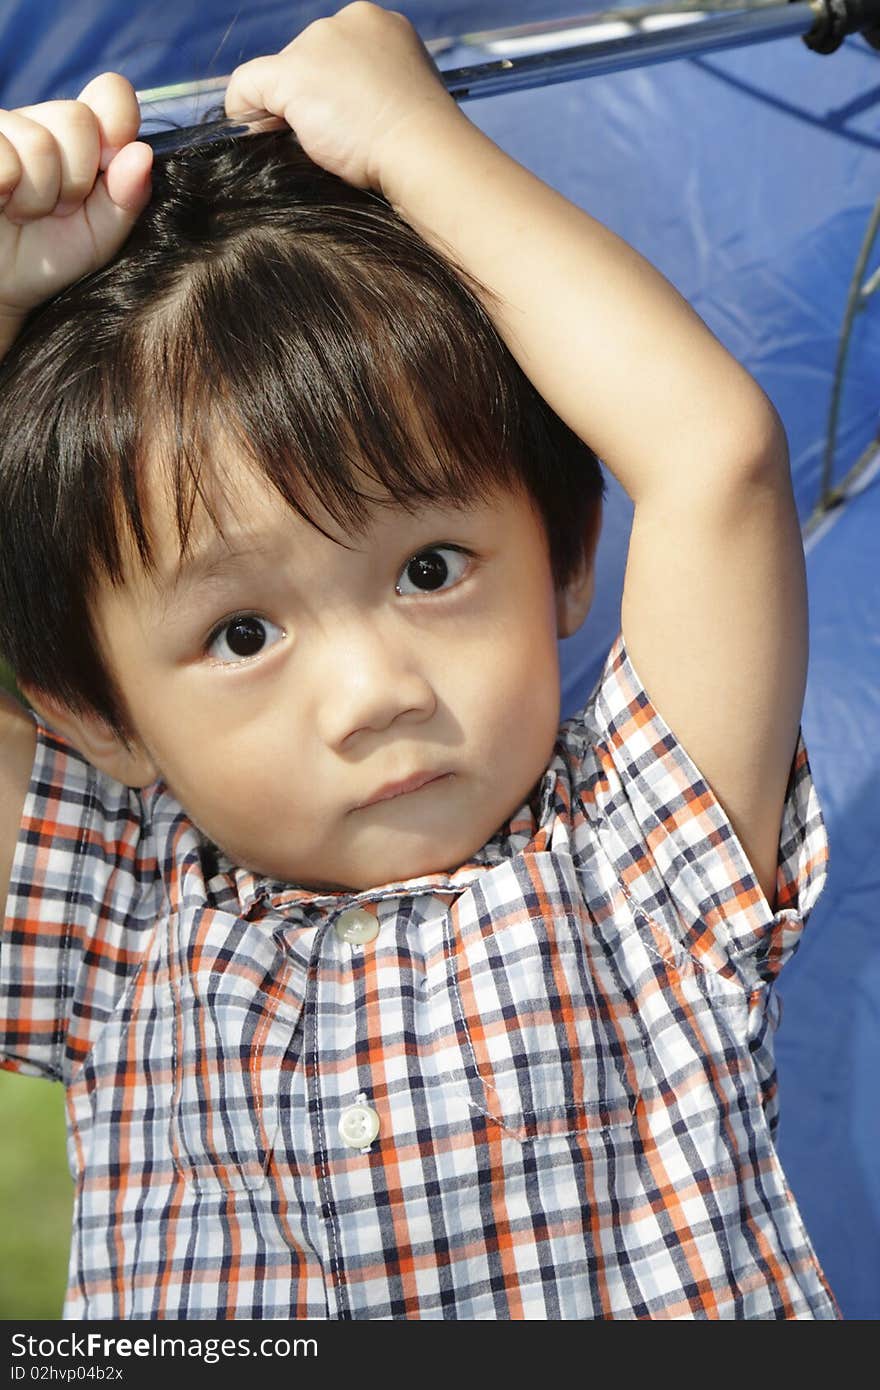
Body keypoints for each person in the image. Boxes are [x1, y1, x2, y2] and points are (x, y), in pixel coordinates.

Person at [0, 2, 837, 1319]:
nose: (373, 691)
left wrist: (417, 146)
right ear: (97, 712)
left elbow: (711, 453)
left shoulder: (642, 867)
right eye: (240, 634)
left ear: (566, 558)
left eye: (430, 569)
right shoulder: (118, 919)